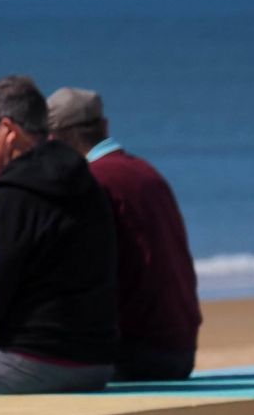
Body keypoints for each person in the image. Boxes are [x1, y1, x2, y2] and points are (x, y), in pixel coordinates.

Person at [0, 75, 118, 394]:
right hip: (96, 361)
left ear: (7, 129)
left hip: (32, 360)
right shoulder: (83, 180)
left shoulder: (12, 196)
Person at [47, 86, 202, 381]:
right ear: (104, 126)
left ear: (53, 139)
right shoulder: (146, 172)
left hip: (135, 351)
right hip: (179, 345)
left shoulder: (89, 182)